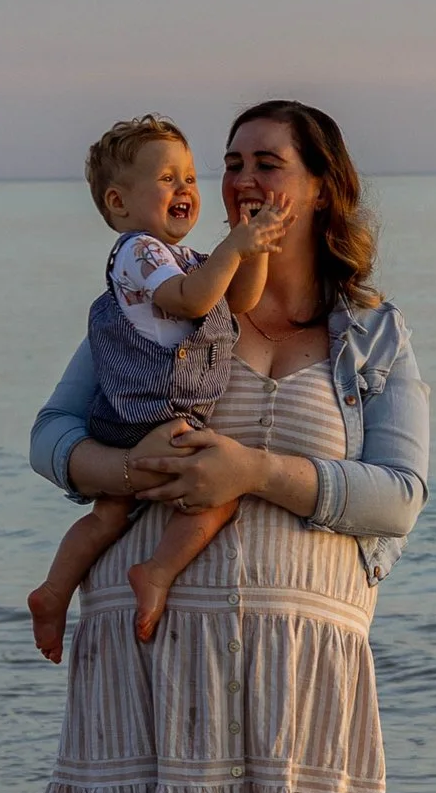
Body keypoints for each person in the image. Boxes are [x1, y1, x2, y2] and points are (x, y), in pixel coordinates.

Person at [17, 98, 431, 793]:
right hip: (153, 648)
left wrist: (257, 473)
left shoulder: (371, 336)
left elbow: (396, 499)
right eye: (234, 163)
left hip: (304, 658)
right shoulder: (167, 299)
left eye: (268, 165)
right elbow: (54, 435)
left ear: (319, 186)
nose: (245, 182)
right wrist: (121, 469)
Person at [26, 115, 287, 661]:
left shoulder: (185, 258)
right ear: (119, 204)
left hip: (153, 414)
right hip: (145, 412)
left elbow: (236, 300)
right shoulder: (139, 254)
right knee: (218, 489)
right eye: (167, 179)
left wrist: (255, 244)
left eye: (190, 178)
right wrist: (236, 244)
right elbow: (191, 301)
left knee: (108, 515)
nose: (185, 189)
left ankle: (53, 592)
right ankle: (157, 571)